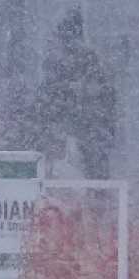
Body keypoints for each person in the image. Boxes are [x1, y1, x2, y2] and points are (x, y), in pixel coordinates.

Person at [35, 10, 119, 177]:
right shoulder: (70, 60)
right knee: (86, 167)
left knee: (90, 166)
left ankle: (95, 193)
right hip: (76, 123)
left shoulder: (85, 59)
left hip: (82, 124)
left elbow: (98, 90)